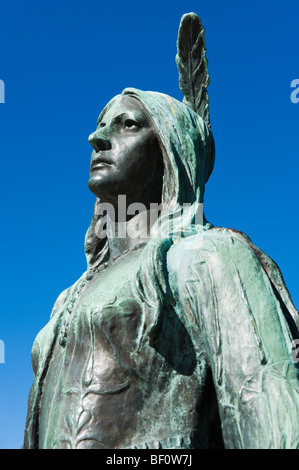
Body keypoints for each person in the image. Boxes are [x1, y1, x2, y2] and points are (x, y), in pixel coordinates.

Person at [23, 87, 299, 449]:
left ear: (171, 151)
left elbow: (268, 413)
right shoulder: (66, 298)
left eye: (128, 124)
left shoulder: (211, 255)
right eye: (101, 125)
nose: (97, 138)